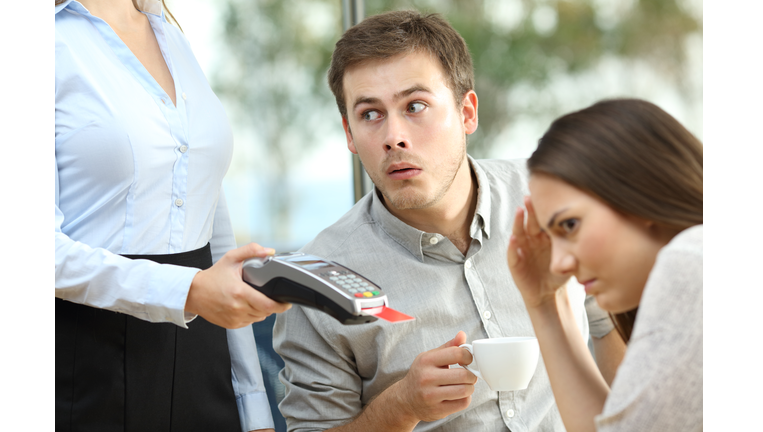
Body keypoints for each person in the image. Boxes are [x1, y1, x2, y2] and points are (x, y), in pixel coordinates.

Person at [272, 10, 623, 432]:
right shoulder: (319, 284)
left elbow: (612, 323)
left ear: (467, 112)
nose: (393, 136)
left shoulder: (552, 199)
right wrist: (401, 406)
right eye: (370, 114)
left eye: (415, 106)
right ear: (349, 133)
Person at [54, 1, 290, 431]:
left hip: (203, 358)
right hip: (86, 361)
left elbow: (214, 229)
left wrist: (253, 407)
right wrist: (191, 290)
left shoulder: (172, 36)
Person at [507, 98, 702, 432]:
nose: (560, 263)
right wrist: (543, 304)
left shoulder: (689, 262)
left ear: (640, 190)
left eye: (569, 225)